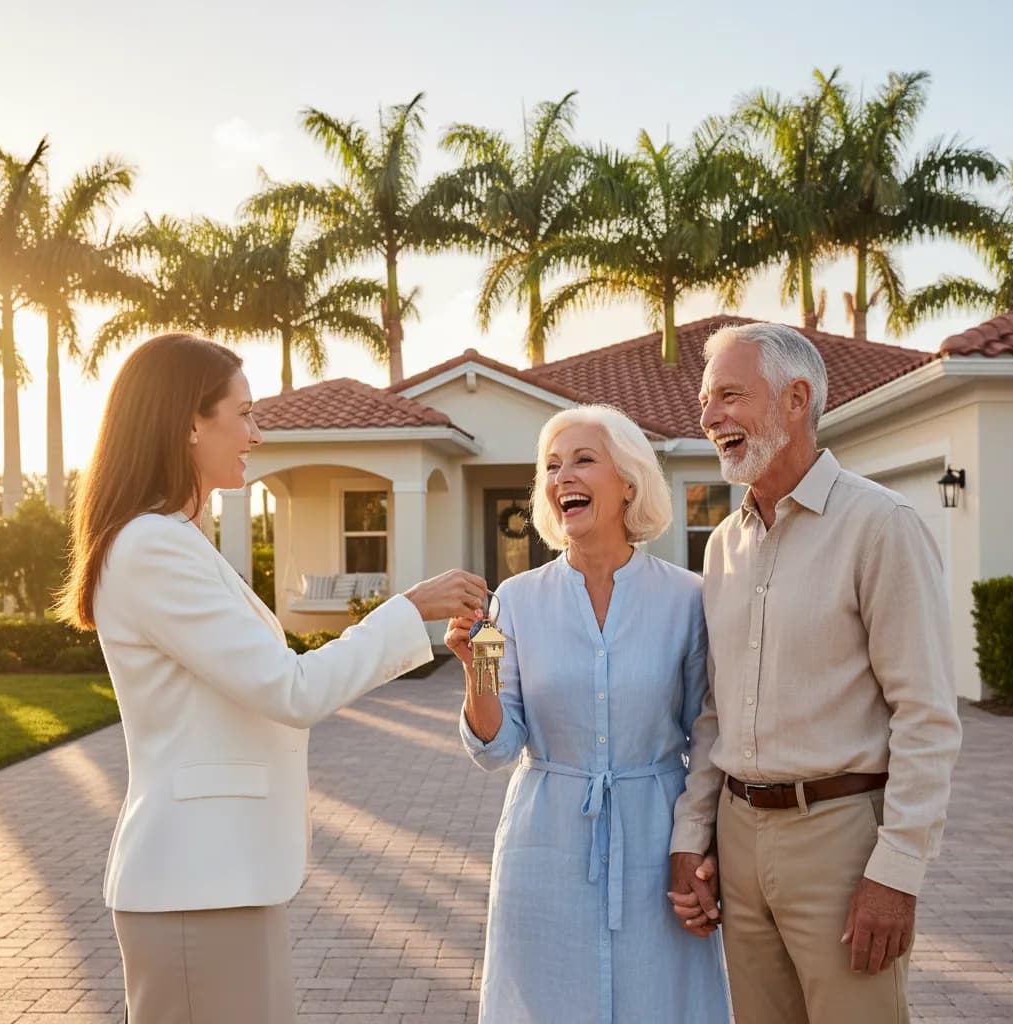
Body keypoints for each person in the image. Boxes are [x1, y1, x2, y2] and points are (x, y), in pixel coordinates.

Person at [56, 333, 488, 1024]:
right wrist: (407, 610)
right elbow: (291, 690)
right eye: (245, 413)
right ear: (189, 422)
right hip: (195, 885)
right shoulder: (153, 546)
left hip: (218, 880)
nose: (256, 432)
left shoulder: (173, 539)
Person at [669, 322, 963, 1024]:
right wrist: (691, 834)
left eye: (730, 397)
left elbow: (925, 715)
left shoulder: (881, 526)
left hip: (840, 841)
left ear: (796, 399)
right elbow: (717, 710)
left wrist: (896, 874)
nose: (710, 419)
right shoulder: (722, 546)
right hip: (738, 841)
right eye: (707, 401)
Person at [446, 405, 730, 1024]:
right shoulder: (515, 600)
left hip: (657, 837)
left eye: (582, 460)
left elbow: (707, 736)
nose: (560, 476)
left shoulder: (687, 599)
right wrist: (476, 670)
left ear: (628, 481)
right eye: (550, 466)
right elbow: (497, 747)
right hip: (544, 841)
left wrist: (698, 842)